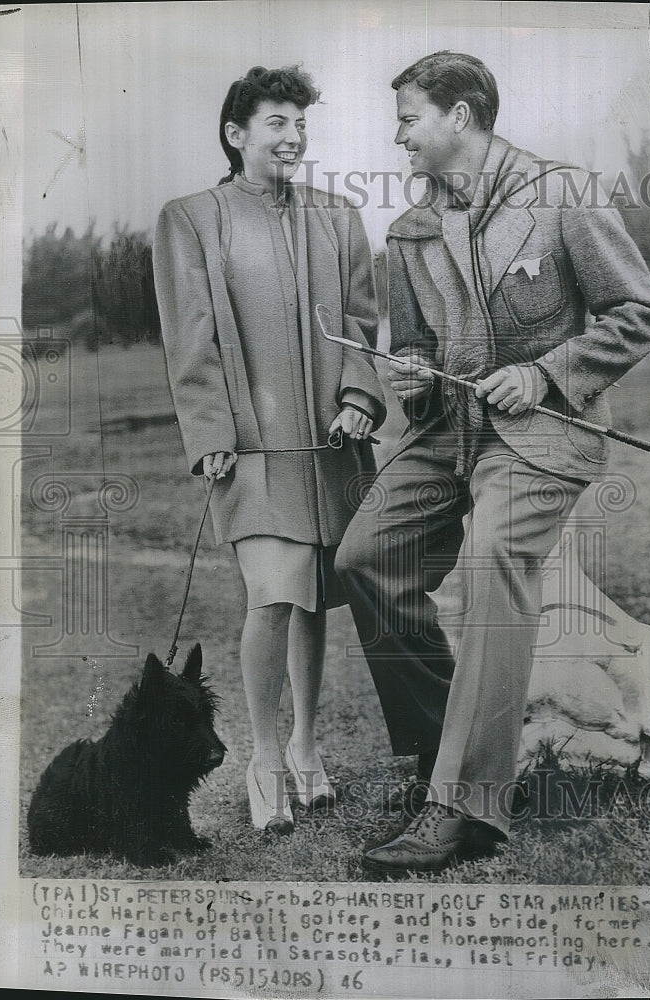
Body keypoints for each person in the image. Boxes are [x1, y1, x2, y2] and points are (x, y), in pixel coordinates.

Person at [335, 51, 650, 874]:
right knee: (366, 558)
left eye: (409, 116)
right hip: (450, 433)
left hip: (544, 432)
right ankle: (441, 754)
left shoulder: (562, 193)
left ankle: (467, 806)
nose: (398, 135)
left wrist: (544, 371)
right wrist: (409, 376)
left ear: (461, 115)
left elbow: (636, 312)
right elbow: (409, 345)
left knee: (492, 562)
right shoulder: (408, 229)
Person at [154, 65, 385, 834]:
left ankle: (307, 749)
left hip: (331, 449)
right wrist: (212, 435)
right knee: (275, 593)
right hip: (250, 451)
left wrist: (359, 396)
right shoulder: (191, 218)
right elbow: (190, 341)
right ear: (236, 134)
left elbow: (360, 323)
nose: (292, 136)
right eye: (276, 122)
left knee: (315, 598)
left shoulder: (338, 216)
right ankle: (260, 757)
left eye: (299, 122)